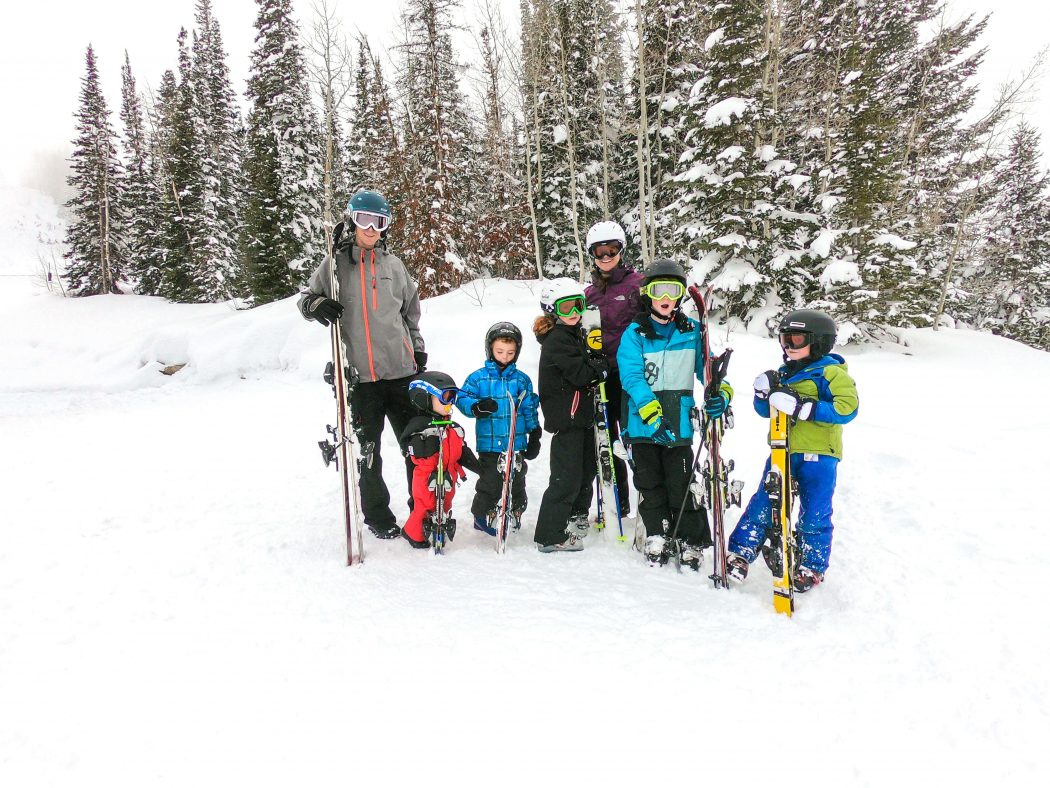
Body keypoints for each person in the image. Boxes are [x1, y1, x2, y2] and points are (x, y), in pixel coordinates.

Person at [298, 189, 427, 540]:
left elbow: (410, 314)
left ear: (386, 227)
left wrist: (417, 351)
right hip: (359, 377)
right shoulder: (335, 264)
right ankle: (378, 516)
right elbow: (306, 299)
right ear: (352, 221)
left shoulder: (394, 265)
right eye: (364, 221)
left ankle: (422, 511)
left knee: (416, 448)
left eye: (379, 222)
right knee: (368, 454)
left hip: (401, 372)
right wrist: (316, 306)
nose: (371, 229)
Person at [726, 309, 859, 592]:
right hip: (782, 450)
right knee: (764, 501)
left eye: (796, 340)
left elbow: (847, 408)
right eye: (785, 339)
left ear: (819, 342)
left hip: (820, 455)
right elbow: (766, 412)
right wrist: (763, 394)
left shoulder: (832, 372)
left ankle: (811, 565)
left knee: (815, 511)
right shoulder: (784, 373)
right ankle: (740, 553)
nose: (788, 346)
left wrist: (804, 408)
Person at [617, 259, 734, 569]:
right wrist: (651, 413)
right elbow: (631, 376)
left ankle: (690, 538)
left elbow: (708, 372)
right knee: (649, 482)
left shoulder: (692, 332)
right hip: (644, 423)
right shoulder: (634, 334)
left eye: (673, 289)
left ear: (681, 294)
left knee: (682, 481)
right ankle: (657, 532)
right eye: (659, 290)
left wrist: (720, 394)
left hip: (679, 422)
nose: (666, 297)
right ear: (648, 294)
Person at [532, 278, 610, 553]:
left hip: (581, 418)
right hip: (568, 420)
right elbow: (580, 375)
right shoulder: (557, 340)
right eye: (566, 308)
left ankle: (574, 517)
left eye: (578, 305)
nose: (574, 312)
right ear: (553, 310)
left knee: (585, 471)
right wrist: (598, 369)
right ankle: (549, 535)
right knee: (565, 478)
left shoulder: (573, 333)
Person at [455, 323, 542, 536]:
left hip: (516, 441)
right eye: (500, 351)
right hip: (490, 443)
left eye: (510, 352)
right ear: (490, 349)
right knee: (491, 479)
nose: (505, 357)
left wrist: (535, 433)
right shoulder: (479, 378)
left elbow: (529, 407)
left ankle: (516, 509)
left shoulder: (521, 379)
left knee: (518, 476)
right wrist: (476, 407)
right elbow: (462, 398)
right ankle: (481, 514)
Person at [583, 220, 643, 518]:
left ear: (622, 250)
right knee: (607, 441)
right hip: (601, 376)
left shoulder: (637, 285)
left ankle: (650, 499)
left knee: (633, 438)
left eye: (612, 250)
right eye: (599, 251)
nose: (606, 257)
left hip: (631, 377)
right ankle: (618, 502)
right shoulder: (589, 293)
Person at [398, 371, 481, 549]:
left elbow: (462, 450)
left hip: (449, 475)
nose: (450, 403)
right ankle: (413, 533)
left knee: (445, 503)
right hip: (426, 476)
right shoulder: (419, 426)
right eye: (444, 397)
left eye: (452, 397)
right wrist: (425, 443)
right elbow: (408, 446)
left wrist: (479, 468)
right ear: (424, 398)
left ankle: (438, 527)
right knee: (425, 505)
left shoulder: (453, 428)